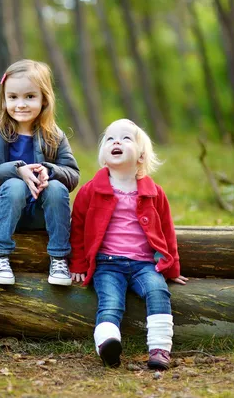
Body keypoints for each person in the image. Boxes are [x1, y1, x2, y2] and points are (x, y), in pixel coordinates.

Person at [69, 119, 188, 370]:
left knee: (158, 292)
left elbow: (167, 230)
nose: (117, 142)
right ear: (103, 153)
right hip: (107, 264)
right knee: (111, 302)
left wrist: (172, 267)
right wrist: (78, 263)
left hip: (145, 265)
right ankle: (107, 344)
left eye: (126, 138)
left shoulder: (154, 192)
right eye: (110, 138)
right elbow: (77, 228)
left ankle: (159, 348)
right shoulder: (91, 190)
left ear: (141, 155)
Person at [0, 59, 80, 286]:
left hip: (41, 214)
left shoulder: (54, 136)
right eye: (13, 97)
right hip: (4, 212)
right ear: (4, 99)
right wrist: (17, 170)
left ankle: (59, 258)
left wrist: (49, 171)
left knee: (56, 186)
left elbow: (72, 173)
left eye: (30, 97)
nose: (21, 104)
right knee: (16, 184)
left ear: (44, 99)